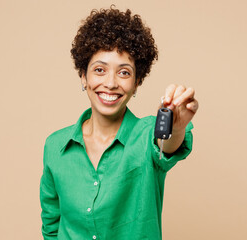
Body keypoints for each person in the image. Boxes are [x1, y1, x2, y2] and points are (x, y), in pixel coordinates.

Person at [40, 6, 198, 240]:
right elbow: (51, 226)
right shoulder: (55, 146)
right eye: (100, 70)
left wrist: (176, 128)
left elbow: (167, 146)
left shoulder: (147, 136)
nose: (111, 83)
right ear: (83, 76)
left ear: (137, 83)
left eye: (124, 73)